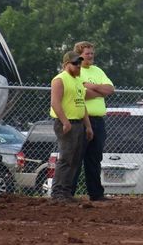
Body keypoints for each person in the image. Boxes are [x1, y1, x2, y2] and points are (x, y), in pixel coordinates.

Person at [49, 51, 94, 202]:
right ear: (66, 64)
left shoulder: (78, 80)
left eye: (79, 63)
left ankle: (67, 192)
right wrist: (65, 121)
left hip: (78, 123)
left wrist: (88, 126)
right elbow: (55, 103)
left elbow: (82, 105)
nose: (78, 66)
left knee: (75, 159)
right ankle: (57, 193)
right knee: (66, 159)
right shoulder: (60, 79)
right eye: (75, 63)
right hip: (66, 124)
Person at [74, 41, 115, 201]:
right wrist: (100, 90)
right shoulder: (75, 70)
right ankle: (68, 193)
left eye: (92, 53)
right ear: (79, 55)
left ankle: (96, 194)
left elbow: (110, 89)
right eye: (87, 53)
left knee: (94, 158)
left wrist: (91, 86)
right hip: (82, 120)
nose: (90, 56)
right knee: (76, 157)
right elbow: (81, 94)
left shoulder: (97, 70)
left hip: (98, 121)